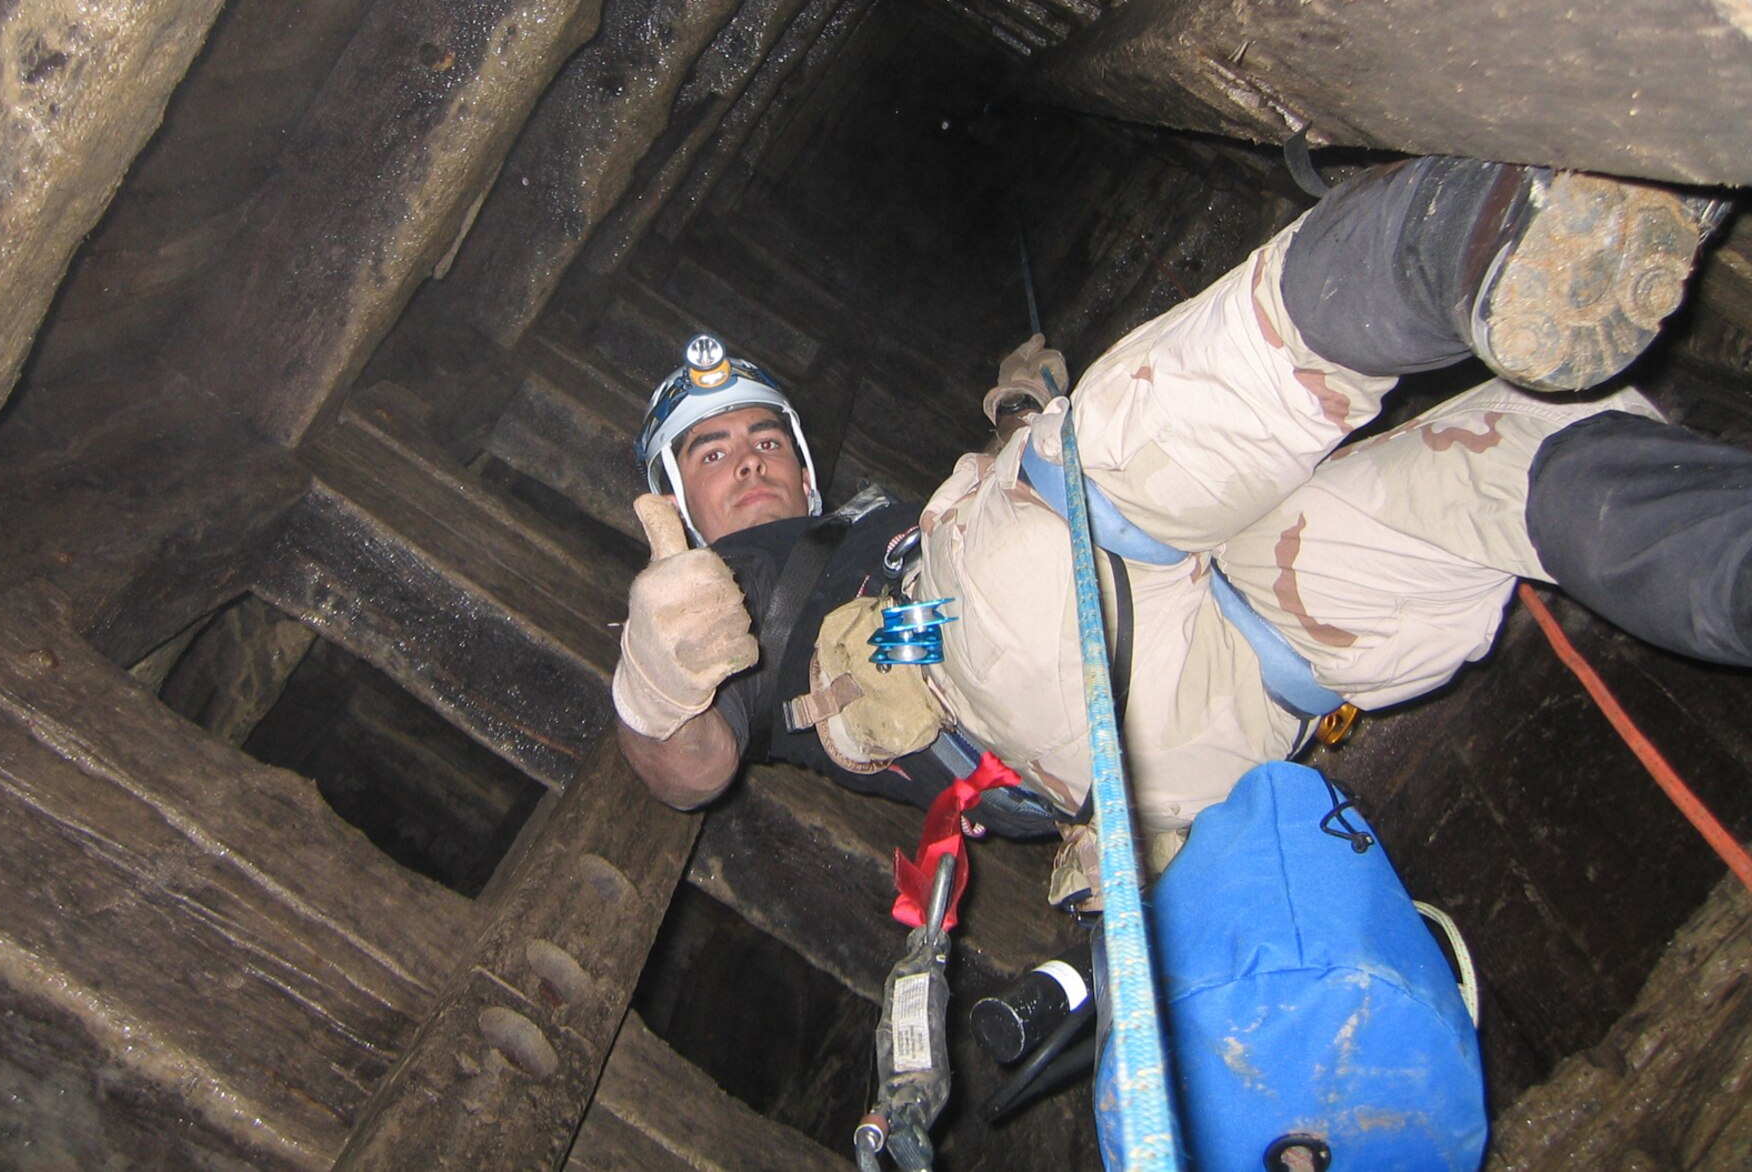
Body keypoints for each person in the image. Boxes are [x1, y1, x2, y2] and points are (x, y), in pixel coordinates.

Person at [611, 157, 1748, 903]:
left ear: (805, 462)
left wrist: (1011, 407)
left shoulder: (855, 534)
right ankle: (1466, 235)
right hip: (1036, 667)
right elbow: (686, 773)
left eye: (764, 436)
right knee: (1197, 405)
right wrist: (658, 692)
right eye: (710, 454)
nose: (747, 457)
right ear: (677, 499)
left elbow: (992, 532)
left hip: (1193, 736)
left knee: (1502, 471)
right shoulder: (709, 610)